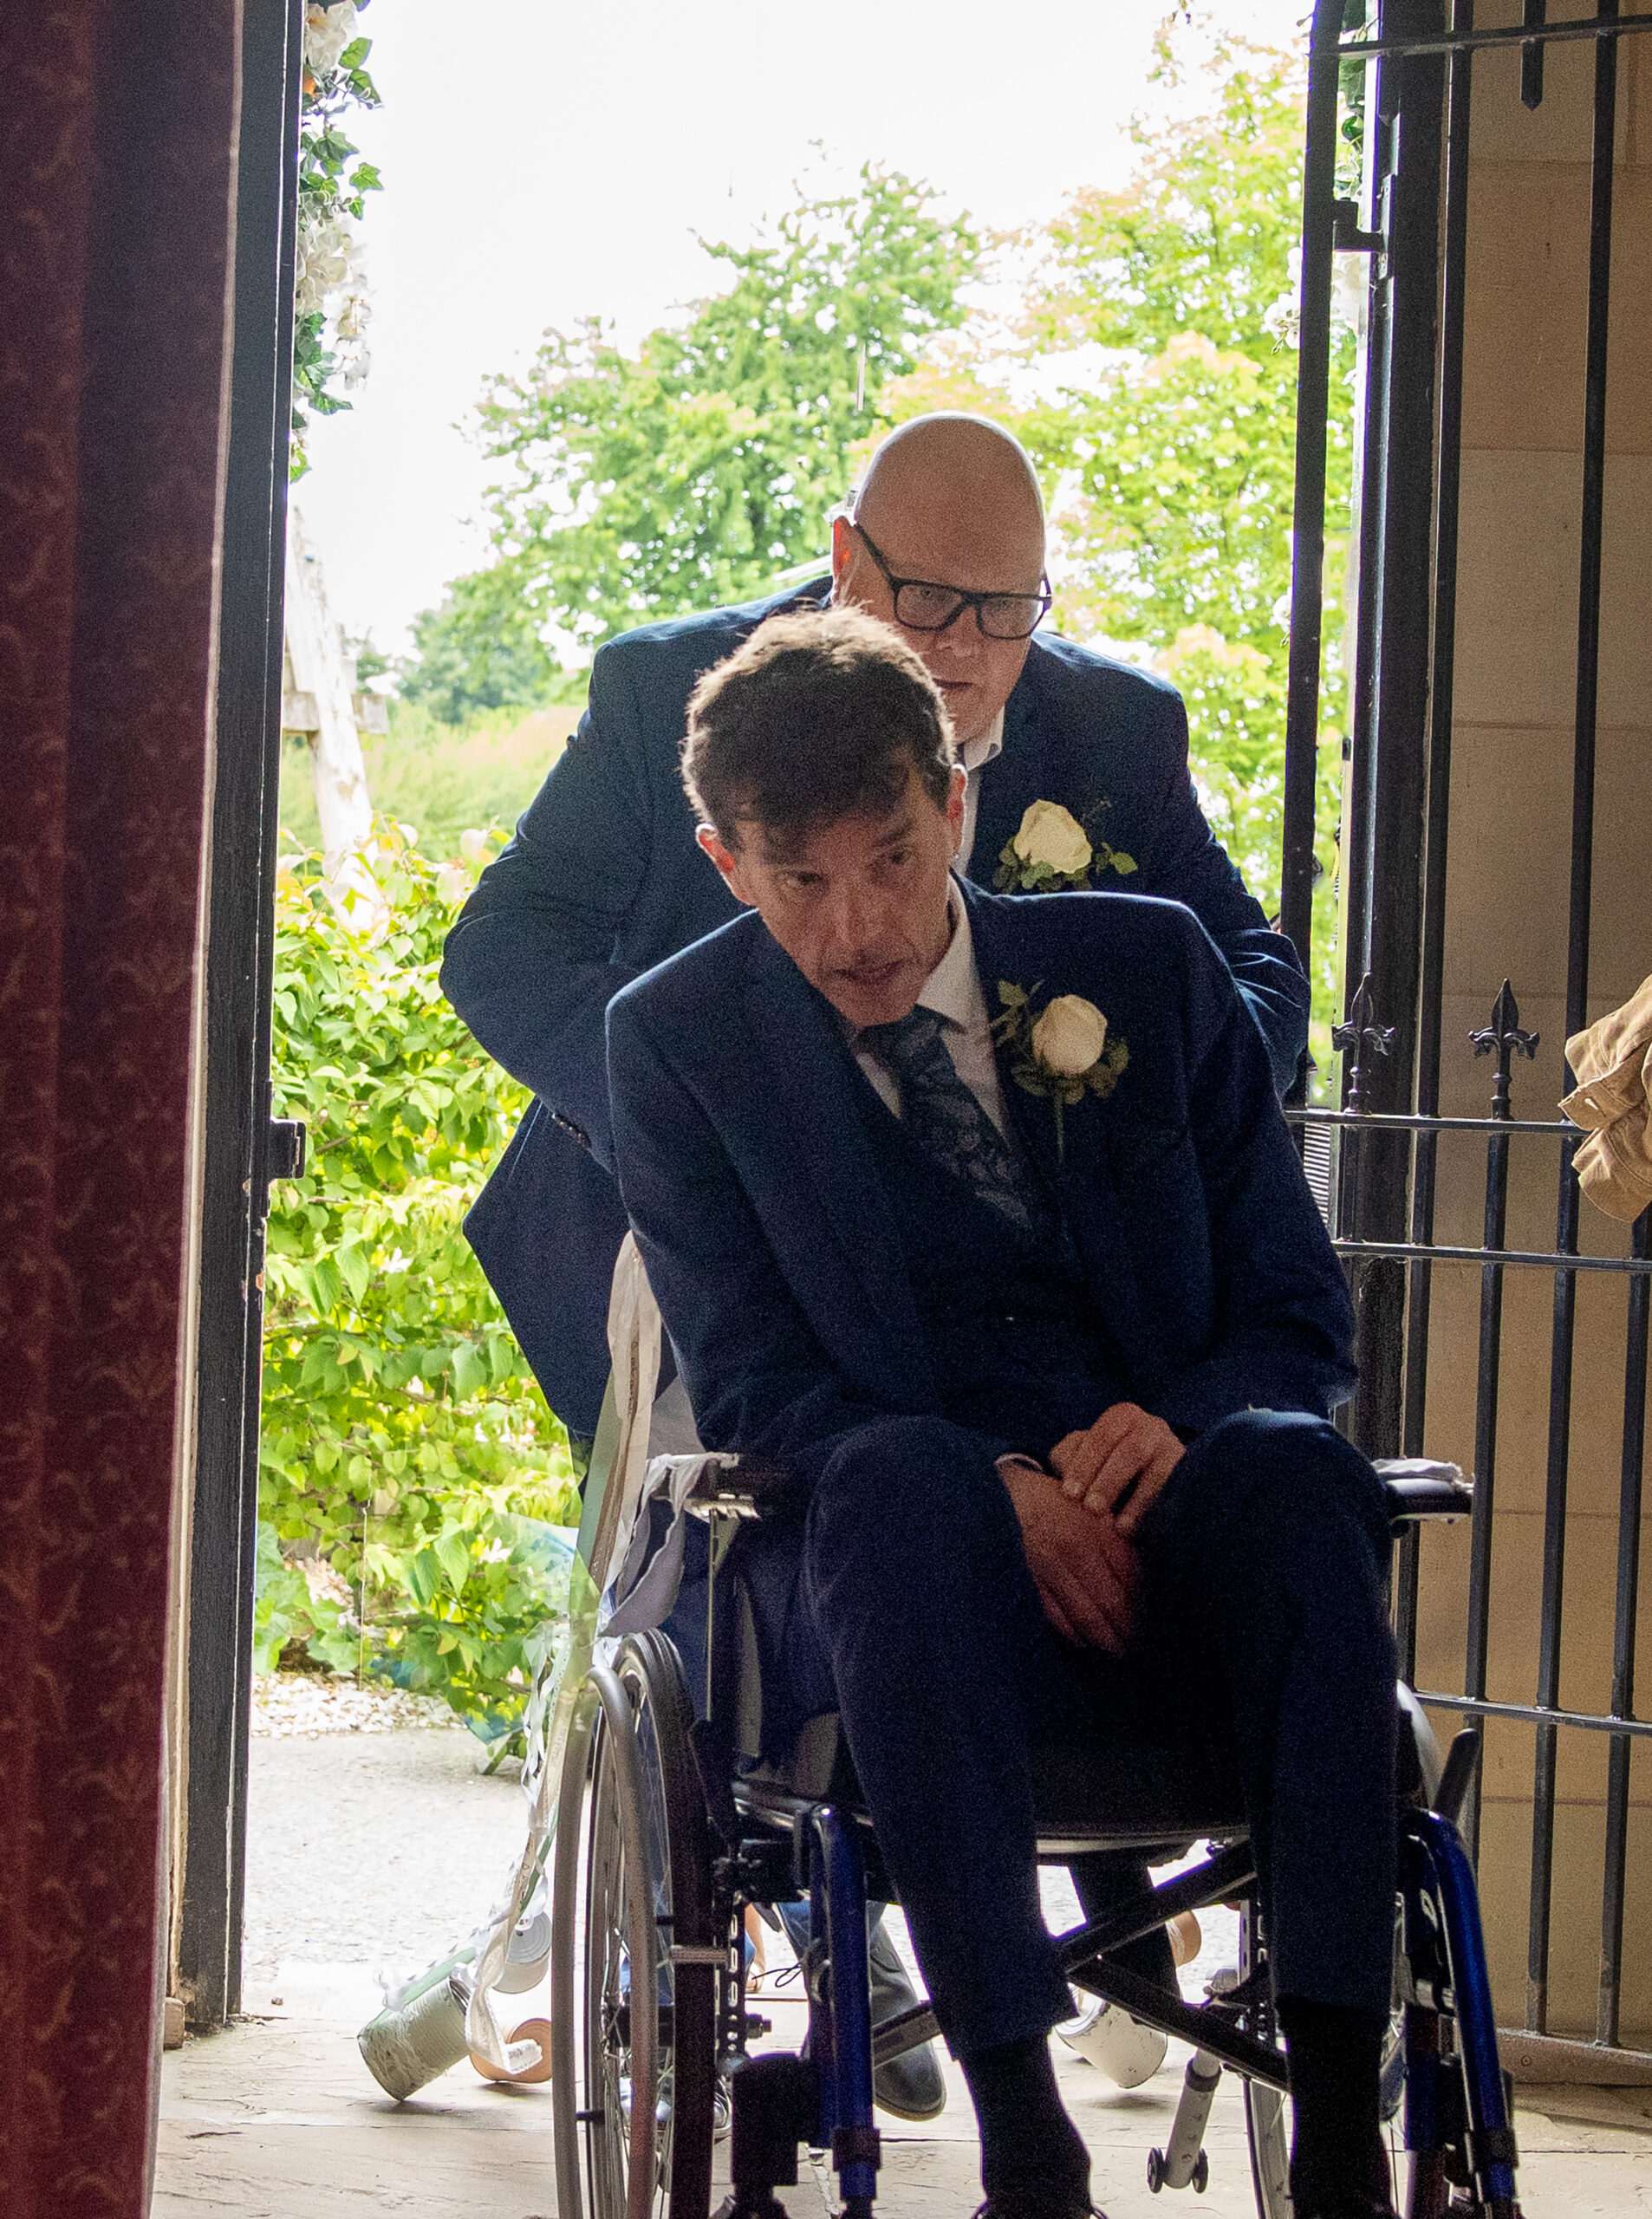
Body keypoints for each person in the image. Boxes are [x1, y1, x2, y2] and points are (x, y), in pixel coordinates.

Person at [604, 608, 1401, 2219]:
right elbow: (759, 1381)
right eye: (801, 879)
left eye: (891, 858)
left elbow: (1298, 1316)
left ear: (954, 801)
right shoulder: (678, 1048)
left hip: (1176, 1516)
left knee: (1306, 1472)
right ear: (723, 860)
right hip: (901, 1578)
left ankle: (1333, 2121)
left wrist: (1173, 1428)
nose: (859, 925)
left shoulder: (1151, 970)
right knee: (899, 1482)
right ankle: (1025, 2134)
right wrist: (1002, 1492)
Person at [441, 413, 1309, 1454]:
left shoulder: (1115, 729)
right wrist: (701, 1124)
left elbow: (1247, 965)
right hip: (727, 1271)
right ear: (847, 555)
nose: (960, 644)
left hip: (1046, 1289)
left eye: (1004, 609)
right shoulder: (670, 694)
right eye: (929, 598)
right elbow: (504, 945)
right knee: (753, 1572)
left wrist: (1150, 1116)